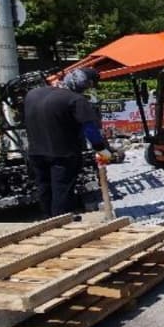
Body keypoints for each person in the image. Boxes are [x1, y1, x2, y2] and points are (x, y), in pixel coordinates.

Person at [24, 67, 111, 216]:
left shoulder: (33, 94)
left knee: (44, 187)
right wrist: (102, 150)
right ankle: (61, 222)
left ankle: (47, 220)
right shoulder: (76, 100)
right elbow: (90, 129)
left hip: (35, 152)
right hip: (63, 154)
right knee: (62, 190)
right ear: (85, 84)